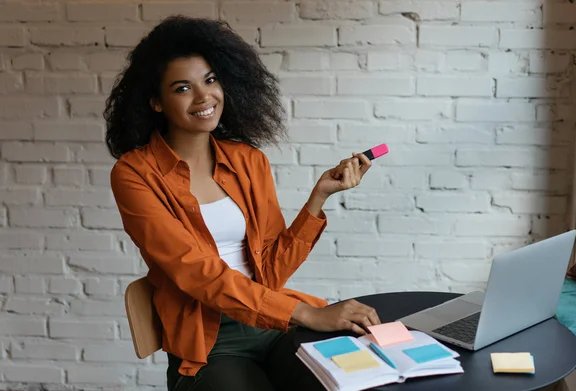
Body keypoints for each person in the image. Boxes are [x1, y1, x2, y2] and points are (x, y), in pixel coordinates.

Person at [105, 15, 381, 391]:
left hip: (272, 321)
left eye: (211, 79)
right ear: (155, 101)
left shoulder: (248, 161)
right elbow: (197, 273)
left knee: (358, 379)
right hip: (210, 341)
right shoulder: (134, 174)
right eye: (183, 87)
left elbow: (271, 271)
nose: (204, 97)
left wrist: (318, 197)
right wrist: (307, 314)